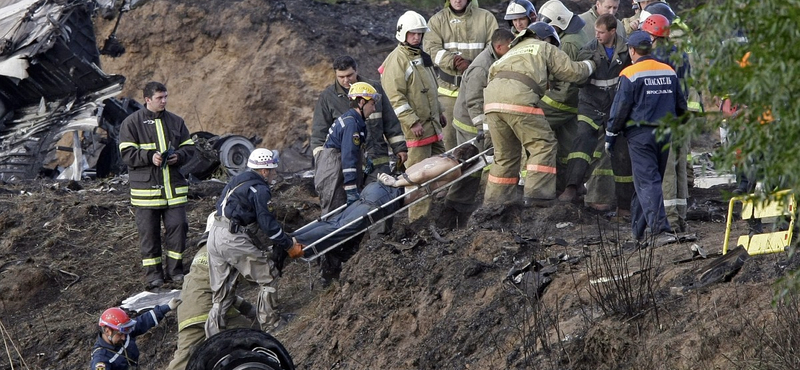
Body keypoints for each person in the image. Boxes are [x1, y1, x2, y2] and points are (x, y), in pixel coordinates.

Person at [295, 144, 480, 286]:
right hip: (391, 193)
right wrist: (397, 182)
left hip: (376, 188)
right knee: (343, 228)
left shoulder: (439, 157)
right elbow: (423, 174)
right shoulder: (453, 168)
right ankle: (294, 245)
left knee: (337, 221)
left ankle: (294, 239)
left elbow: (422, 168)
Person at [482, 24, 595, 206]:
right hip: (518, 97)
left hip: (491, 101)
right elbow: (572, 72)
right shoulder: (544, 46)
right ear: (547, 37)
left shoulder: (512, 50)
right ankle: (537, 197)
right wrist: (590, 65)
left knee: (505, 154)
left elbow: (491, 75)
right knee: (543, 144)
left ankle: (496, 202)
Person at [204, 148, 305, 338]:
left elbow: (222, 206)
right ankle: (271, 323)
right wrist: (288, 245)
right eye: (273, 170)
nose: (275, 173)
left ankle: (214, 337)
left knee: (221, 293)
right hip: (232, 238)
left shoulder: (238, 179)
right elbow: (268, 224)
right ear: (264, 170)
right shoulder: (260, 189)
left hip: (214, 234)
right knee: (268, 275)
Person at [604, 30, 687, 243]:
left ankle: (660, 231)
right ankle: (638, 232)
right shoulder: (668, 70)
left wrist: (611, 135)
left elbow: (620, 107)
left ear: (632, 50)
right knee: (650, 181)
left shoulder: (630, 73)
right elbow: (681, 105)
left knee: (647, 181)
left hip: (640, 135)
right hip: (665, 132)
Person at [119, 81, 195, 289]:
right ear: (147, 100)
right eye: (160, 98)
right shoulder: (131, 123)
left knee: (178, 228)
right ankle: (154, 277)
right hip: (146, 193)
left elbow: (189, 148)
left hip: (174, 191)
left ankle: (176, 272)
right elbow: (126, 153)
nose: (164, 101)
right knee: (149, 235)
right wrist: (149, 157)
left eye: (166, 97)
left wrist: (178, 156)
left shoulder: (176, 122)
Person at [166, 214, 257, 370]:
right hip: (207, 308)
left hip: (187, 311)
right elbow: (253, 276)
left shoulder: (204, 250)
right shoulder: (224, 247)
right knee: (253, 337)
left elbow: (221, 290)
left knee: (182, 361)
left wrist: (249, 309)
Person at [563, 14, 633, 214]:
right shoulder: (588, 50)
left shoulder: (626, 50)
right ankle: (572, 186)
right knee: (583, 138)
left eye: (601, 32)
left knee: (620, 152)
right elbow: (579, 78)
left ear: (613, 32)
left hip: (614, 105)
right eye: (596, 32)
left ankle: (624, 205)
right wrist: (588, 65)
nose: (597, 35)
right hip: (590, 103)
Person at [445, 28, 514, 228]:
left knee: (475, 167)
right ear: (499, 46)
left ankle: (464, 207)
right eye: (509, 47)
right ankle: (453, 210)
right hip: (470, 123)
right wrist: (482, 128)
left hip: (480, 121)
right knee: (470, 168)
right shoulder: (482, 67)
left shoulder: (496, 59)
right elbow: (473, 100)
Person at [381, 10, 446, 222]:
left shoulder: (421, 56)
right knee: (418, 176)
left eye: (419, 33)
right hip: (416, 131)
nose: (417, 37)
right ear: (403, 34)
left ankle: (435, 212)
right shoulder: (396, 60)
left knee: (443, 167)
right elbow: (394, 98)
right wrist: (412, 121)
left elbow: (432, 88)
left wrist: (440, 113)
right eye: (413, 34)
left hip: (432, 127)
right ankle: (418, 221)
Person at [310, 56, 408, 185]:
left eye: (349, 75)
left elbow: (390, 122)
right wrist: (322, 162)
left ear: (356, 70)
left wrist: (400, 148)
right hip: (347, 164)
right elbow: (319, 133)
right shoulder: (328, 97)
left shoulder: (374, 89)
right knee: (353, 200)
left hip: (377, 160)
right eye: (341, 77)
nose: (346, 80)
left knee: (378, 196)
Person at [423, 0, 498, 151]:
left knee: (478, 138)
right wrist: (454, 61)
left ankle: (476, 173)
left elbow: (495, 49)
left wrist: (474, 66)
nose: (457, 0)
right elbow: (430, 49)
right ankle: (452, 173)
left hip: (478, 92)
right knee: (449, 142)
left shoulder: (486, 18)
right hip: (447, 93)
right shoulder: (437, 20)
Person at [537, 0, 592, 194]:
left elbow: (564, 82)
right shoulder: (576, 34)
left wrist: (541, 100)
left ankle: (542, 186)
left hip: (563, 102)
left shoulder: (568, 43)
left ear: (559, 23)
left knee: (532, 125)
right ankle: (568, 188)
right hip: (577, 102)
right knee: (567, 148)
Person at [314, 82, 381, 214]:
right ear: (362, 102)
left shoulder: (354, 121)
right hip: (333, 176)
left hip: (333, 173)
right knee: (335, 217)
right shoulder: (351, 124)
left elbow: (354, 150)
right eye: (372, 104)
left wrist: (364, 162)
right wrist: (350, 187)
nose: (374, 109)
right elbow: (348, 156)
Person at [90, 301, 179, 370]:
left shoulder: (125, 332)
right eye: (120, 334)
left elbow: (144, 321)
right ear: (108, 331)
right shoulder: (101, 360)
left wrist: (167, 307)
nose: (124, 337)